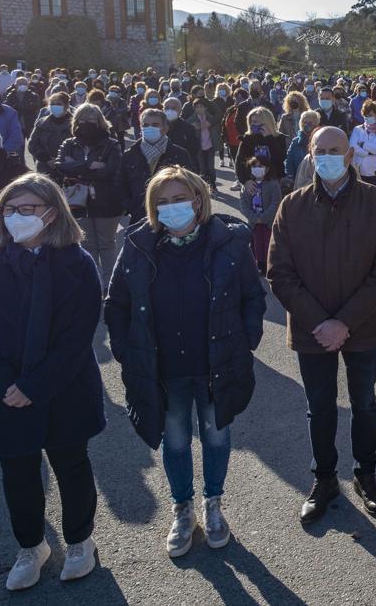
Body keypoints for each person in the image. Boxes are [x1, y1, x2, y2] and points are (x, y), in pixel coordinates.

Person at [0, 173, 105, 590]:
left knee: (71, 465)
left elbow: (77, 337)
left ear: (52, 213)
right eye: (10, 208)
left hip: (64, 386)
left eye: (28, 209)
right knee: (17, 471)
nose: (16, 216)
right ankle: (30, 545)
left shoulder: (77, 264)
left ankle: (79, 541)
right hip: (1, 393)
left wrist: (35, 385)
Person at [106, 166, 266, 558]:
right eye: (162, 202)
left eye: (179, 199)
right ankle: (183, 508)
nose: (171, 208)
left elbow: (253, 296)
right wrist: (128, 353)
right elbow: (117, 304)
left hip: (215, 362)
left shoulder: (230, 241)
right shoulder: (138, 244)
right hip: (165, 369)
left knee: (215, 435)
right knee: (174, 440)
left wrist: (246, 342)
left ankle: (213, 503)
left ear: (198, 199)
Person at [268, 126, 376, 525]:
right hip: (313, 331)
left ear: (349, 155)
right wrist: (320, 323)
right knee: (320, 408)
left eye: (335, 150)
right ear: (310, 155)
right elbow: (280, 273)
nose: (327, 156)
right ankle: (324, 479)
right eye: (319, 150)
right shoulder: (291, 207)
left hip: (362, 325)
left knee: (364, 404)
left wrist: (344, 321)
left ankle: (366, 475)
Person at [56, 104, 124, 285]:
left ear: (100, 121)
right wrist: (89, 165)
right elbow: (61, 166)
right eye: (82, 120)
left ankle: (111, 285)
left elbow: (111, 170)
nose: (86, 124)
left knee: (107, 245)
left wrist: (76, 166)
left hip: (107, 201)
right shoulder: (69, 144)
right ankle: (94, 283)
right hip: (77, 201)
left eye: (91, 120)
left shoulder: (112, 144)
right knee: (87, 245)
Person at [119, 110, 193, 225]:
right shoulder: (130, 155)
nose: (150, 128)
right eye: (145, 125)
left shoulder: (179, 154)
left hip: (174, 216)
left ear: (165, 128)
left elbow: (191, 184)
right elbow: (121, 183)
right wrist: (131, 205)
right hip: (140, 216)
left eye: (155, 125)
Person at [239, 154, 282, 275]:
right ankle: (258, 264)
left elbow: (276, 203)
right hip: (254, 223)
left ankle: (269, 264)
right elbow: (243, 204)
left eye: (261, 166)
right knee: (256, 243)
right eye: (254, 166)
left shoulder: (273, 185)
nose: (257, 169)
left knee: (268, 242)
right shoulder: (247, 186)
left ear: (267, 169)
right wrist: (253, 217)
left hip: (268, 222)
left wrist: (263, 217)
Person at [235, 107, 287, 191]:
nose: (252, 124)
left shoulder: (278, 138)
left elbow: (280, 159)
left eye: (255, 122)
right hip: (252, 184)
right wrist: (245, 181)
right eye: (251, 122)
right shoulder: (247, 139)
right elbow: (239, 162)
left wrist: (269, 138)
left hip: (273, 183)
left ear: (266, 123)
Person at [350, 99, 376, 188]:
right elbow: (352, 146)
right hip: (361, 171)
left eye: (370, 115)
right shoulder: (357, 129)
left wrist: (363, 144)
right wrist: (368, 152)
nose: (367, 118)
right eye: (365, 115)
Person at [285, 110, 319, 181]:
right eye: (305, 122)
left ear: (316, 124)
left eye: (310, 122)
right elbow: (289, 160)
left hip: (317, 180)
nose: (307, 125)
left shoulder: (320, 140)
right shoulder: (295, 141)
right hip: (299, 180)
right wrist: (290, 176)